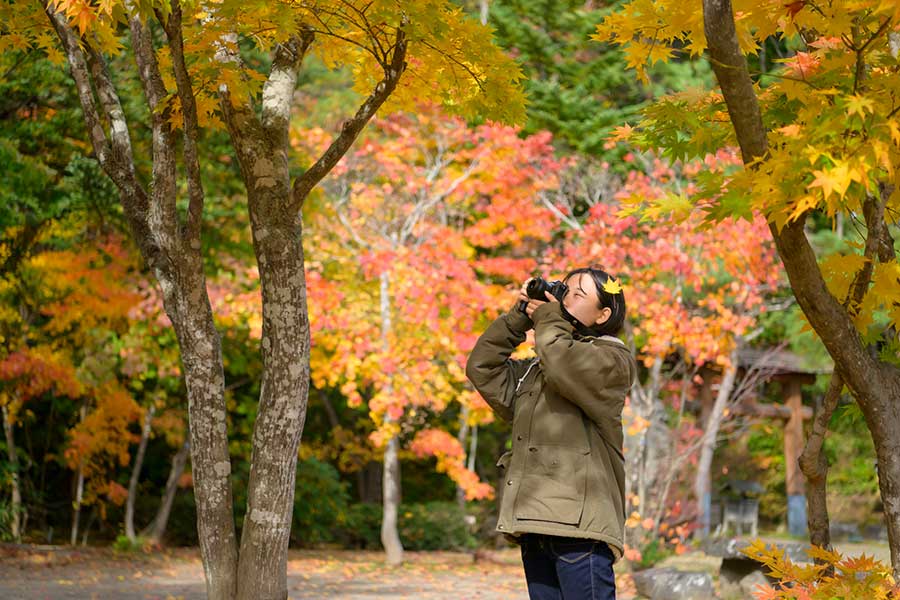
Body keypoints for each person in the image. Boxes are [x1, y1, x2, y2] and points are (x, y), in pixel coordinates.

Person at [466, 266, 636, 600]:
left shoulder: (613, 360)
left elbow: (561, 360)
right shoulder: (537, 367)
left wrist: (546, 318)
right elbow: (482, 367)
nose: (563, 299)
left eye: (577, 294)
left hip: (581, 532)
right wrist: (519, 318)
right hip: (536, 522)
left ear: (603, 314)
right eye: (564, 289)